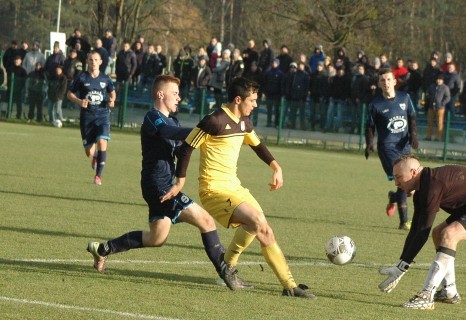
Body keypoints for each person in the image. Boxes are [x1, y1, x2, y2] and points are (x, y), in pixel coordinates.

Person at [85, 75, 239, 290]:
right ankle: (228, 274)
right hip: (159, 185)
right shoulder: (153, 117)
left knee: (156, 238)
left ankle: (102, 249)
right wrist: (202, 130)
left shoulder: (174, 121)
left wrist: (208, 143)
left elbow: (180, 147)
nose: (179, 98)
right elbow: (169, 133)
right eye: (175, 93)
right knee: (206, 221)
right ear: (160, 94)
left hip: (161, 184)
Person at [175, 77, 316, 299]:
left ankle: (289, 286)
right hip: (213, 190)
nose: (256, 105)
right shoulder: (215, 121)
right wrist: (180, 181)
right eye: (253, 100)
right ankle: (228, 267)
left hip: (234, 187)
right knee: (256, 220)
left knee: (262, 227)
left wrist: (276, 167)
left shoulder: (244, 122)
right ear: (238, 99)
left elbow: (257, 145)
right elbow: (186, 148)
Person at [377, 155, 466, 310]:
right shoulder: (423, 188)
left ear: (414, 172)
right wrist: (401, 265)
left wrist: (403, 267)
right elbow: (416, 230)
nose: (396, 182)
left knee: (449, 234)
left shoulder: (432, 185)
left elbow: (422, 232)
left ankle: (426, 296)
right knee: (438, 233)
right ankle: (449, 291)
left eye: (399, 177)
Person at [365, 68, 419, 230]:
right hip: (387, 148)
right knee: (404, 180)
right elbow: (369, 127)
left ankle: (393, 197)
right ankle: (404, 222)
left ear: (395, 81)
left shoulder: (404, 97)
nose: (386, 83)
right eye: (383, 80)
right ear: (379, 83)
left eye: (389, 79)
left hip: (404, 146)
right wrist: (369, 144)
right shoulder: (375, 104)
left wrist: (413, 136)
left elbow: (412, 117)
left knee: (410, 184)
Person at [67, 51, 116, 185]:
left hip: (103, 115)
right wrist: (79, 101)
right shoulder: (81, 77)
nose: (93, 62)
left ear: (100, 62)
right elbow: (69, 94)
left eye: (96, 60)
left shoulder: (106, 78)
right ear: (87, 62)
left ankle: (98, 176)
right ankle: (95, 156)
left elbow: (113, 93)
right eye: (90, 60)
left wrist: (112, 100)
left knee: (101, 141)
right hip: (87, 117)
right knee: (89, 151)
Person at [425, 75, 450, 141]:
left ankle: (438, 137)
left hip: (440, 108)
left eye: (440, 79)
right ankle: (429, 136)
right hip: (431, 107)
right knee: (430, 122)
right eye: (437, 79)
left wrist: (442, 103)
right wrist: (429, 99)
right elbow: (428, 94)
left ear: (442, 80)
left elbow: (448, 97)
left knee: (439, 123)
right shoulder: (432, 86)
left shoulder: (445, 87)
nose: (438, 81)